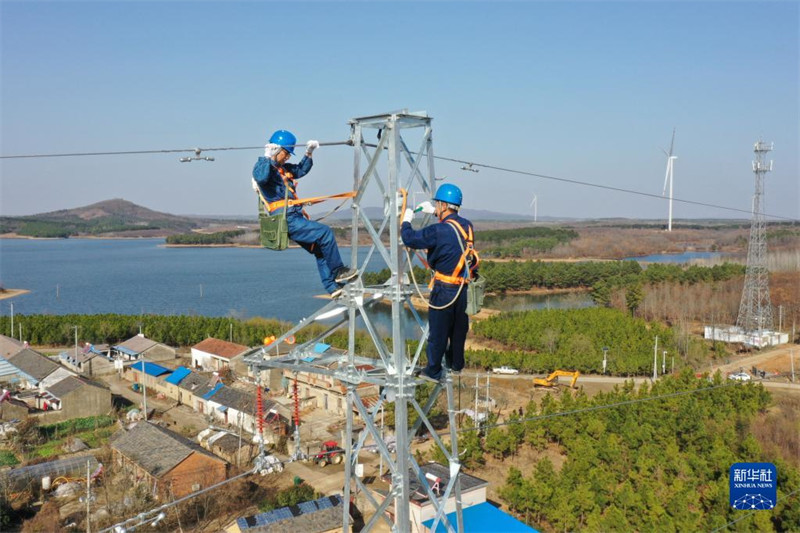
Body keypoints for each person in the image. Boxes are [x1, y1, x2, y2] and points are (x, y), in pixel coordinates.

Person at [252, 129, 357, 297]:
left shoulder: (282, 169)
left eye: (289, 154)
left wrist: (309, 153)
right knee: (325, 233)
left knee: (320, 249)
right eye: (286, 153)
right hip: (286, 218)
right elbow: (261, 177)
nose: (287, 157)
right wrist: (267, 156)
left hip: (293, 216)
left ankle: (332, 288)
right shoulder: (265, 168)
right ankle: (338, 271)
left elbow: (301, 170)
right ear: (276, 149)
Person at [401, 183, 477, 382]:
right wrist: (435, 213)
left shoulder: (438, 230)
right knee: (458, 330)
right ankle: (456, 364)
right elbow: (452, 237)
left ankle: (433, 371)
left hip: (444, 290)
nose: (436, 207)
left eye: (437, 205)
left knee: (439, 332)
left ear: (443, 205)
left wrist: (406, 221)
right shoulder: (467, 227)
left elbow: (410, 239)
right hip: (462, 288)